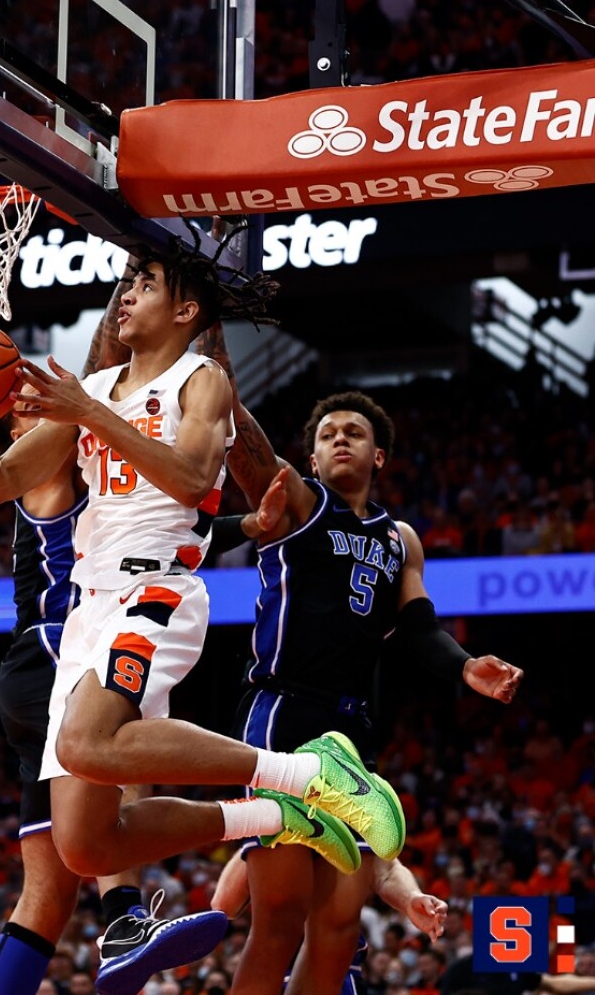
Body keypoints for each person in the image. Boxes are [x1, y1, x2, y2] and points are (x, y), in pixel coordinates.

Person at [0, 253, 407, 918]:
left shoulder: (201, 382)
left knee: (85, 743)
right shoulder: (94, 388)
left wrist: (89, 412)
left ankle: (311, 774)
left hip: (156, 588)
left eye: (147, 285)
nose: (128, 295)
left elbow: (196, 480)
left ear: (185, 311)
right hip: (91, 606)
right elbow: (0, 481)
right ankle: (274, 816)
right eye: (129, 282)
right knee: (86, 846)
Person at [192, 309, 524, 995]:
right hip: (282, 714)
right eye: (327, 433)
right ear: (310, 458)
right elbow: (239, 436)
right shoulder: (296, 504)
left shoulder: (400, 537)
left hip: (352, 732)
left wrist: (466, 666)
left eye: (355, 432)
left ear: (378, 457)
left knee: (340, 927)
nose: (340, 438)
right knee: (279, 918)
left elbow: (419, 626)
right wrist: (210, 343)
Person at [0, 284, 229, 995]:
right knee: (110, 740)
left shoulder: (89, 459)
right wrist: (139, 269)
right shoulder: (57, 461)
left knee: (49, 894)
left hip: (32, 661)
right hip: (62, 644)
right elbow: (112, 390)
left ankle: (119, 920)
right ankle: (125, 916)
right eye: (22, 401)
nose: (34, 399)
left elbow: (148, 475)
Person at [210, 846, 448, 994]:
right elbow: (224, 905)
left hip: (335, 975)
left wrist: (410, 897)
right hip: (272, 973)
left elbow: (385, 869)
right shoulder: (277, 795)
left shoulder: (359, 791)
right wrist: (252, 840)